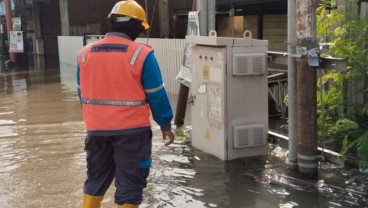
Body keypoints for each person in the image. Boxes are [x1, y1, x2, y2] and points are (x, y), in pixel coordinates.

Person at [76, 1, 175, 207]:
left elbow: (81, 94)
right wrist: (165, 125)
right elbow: (156, 94)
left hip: (95, 131)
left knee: (95, 179)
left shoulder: (84, 54)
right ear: (134, 26)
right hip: (133, 134)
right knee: (130, 185)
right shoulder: (142, 54)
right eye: (140, 28)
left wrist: (98, 118)